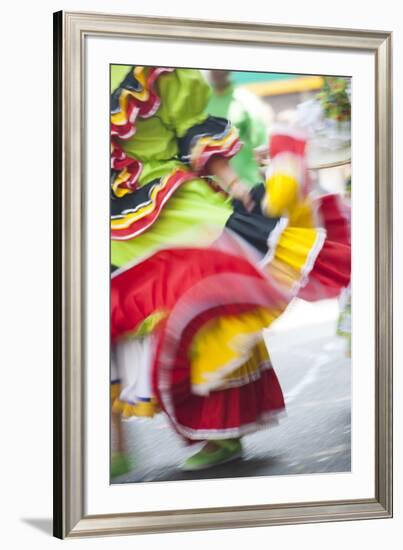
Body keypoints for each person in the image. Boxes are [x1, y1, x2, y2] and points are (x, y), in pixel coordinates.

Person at [110, 65, 350, 475]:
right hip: (103, 220)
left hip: (170, 209)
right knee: (112, 324)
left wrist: (240, 187)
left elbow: (194, 130)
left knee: (202, 311)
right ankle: (110, 451)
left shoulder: (151, 72)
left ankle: (220, 431)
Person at [207, 70, 271, 187]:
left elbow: (261, 145)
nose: (217, 73)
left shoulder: (245, 100)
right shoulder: (204, 101)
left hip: (247, 184)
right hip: (215, 189)